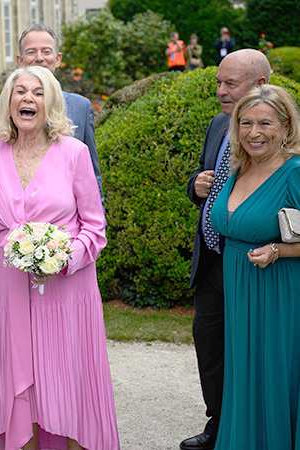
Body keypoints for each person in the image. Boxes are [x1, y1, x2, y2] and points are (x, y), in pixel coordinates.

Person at [0, 64, 118, 450]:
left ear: (50, 102)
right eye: (20, 91)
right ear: (8, 103)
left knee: (66, 381)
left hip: (66, 291)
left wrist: (60, 258)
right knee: (20, 379)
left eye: (37, 92)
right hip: (11, 290)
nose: (28, 98)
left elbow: (94, 226)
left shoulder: (73, 153)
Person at [184, 49, 271, 450]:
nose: (220, 91)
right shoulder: (219, 123)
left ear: (260, 85)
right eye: (218, 82)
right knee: (210, 343)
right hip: (212, 262)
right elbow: (207, 180)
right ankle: (219, 425)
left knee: (253, 348)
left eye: (230, 84)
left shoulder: (278, 130)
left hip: (256, 264)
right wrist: (196, 187)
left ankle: (255, 427)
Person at [210, 84, 300, 449]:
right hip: (238, 288)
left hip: (280, 291)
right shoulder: (239, 167)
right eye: (245, 123)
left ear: (285, 127)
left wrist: (279, 250)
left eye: (265, 123)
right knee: (245, 376)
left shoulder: (294, 172)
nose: (254, 132)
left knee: (276, 375)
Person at [0, 24, 104, 207]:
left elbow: (92, 175)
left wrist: (98, 228)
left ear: (58, 59)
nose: (39, 58)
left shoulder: (80, 107)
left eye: (46, 51)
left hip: (65, 225)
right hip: (17, 218)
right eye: (31, 52)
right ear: (20, 60)